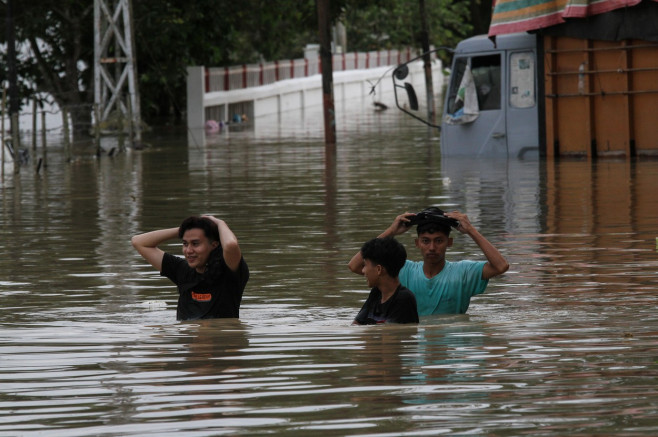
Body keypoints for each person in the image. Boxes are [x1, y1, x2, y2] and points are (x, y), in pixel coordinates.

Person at [348, 207, 509, 316]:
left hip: (451, 346)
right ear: (417, 243)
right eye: (426, 241)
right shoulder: (402, 270)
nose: (432, 247)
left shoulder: (464, 272)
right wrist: (391, 231)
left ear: (449, 242)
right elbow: (355, 265)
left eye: (439, 241)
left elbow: (501, 266)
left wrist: (471, 231)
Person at [131, 215, 249, 321]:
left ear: (214, 245)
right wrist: (186, 230)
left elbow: (230, 245)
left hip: (220, 342)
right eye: (185, 243)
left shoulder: (229, 272)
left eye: (195, 243)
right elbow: (139, 242)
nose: (188, 250)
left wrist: (219, 223)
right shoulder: (181, 269)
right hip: (187, 341)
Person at [353, 237, 419, 325]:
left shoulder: (404, 298)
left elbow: (389, 335)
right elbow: (356, 325)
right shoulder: (376, 293)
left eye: (365, 265)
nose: (363, 271)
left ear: (379, 269)